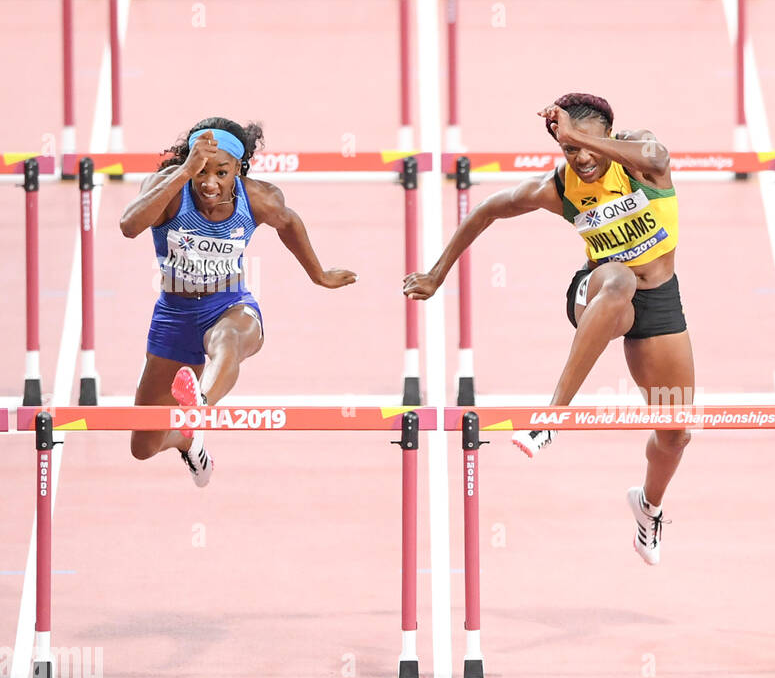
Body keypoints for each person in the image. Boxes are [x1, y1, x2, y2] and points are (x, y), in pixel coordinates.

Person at [403, 93, 692, 565]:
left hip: (659, 299)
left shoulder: (640, 157)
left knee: (675, 433)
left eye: (588, 147)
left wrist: (576, 133)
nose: (581, 159)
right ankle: (552, 416)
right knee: (618, 277)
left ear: (611, 138)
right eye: (569, 150)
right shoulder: (560, 188)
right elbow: (486, 210)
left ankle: (648, 506)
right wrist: (437, 273)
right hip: (599, 292)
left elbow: (658, 155)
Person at [119, 118, 356, 484]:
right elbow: (129, 226)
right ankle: (186, 438)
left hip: (229, 306)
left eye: (221, 172)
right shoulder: (169, 188)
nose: (209, 182)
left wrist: (319, 274)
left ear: (238, 170)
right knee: (143, 447)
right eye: (202, 170)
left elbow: (288, 222)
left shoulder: (257, 198)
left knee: (227, 339)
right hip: (174, 315)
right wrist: (184, 172)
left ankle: (198, 407)